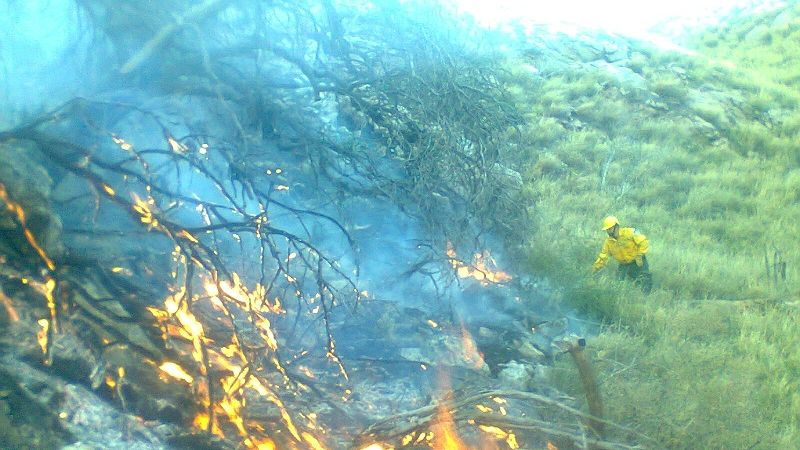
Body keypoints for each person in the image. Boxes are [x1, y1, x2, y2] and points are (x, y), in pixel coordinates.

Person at [592, 216, 652, 293]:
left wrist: (639, 255)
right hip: (624, 265)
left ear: (616, 226)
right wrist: (595, 269)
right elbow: (603, 257)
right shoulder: (608, 243)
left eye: (610, 229)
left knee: (644, 280)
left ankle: (646, 297)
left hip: (638, 261)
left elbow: (643, 241)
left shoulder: (630, 232)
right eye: (607, 229)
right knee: (619, 285)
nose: (608, 231)